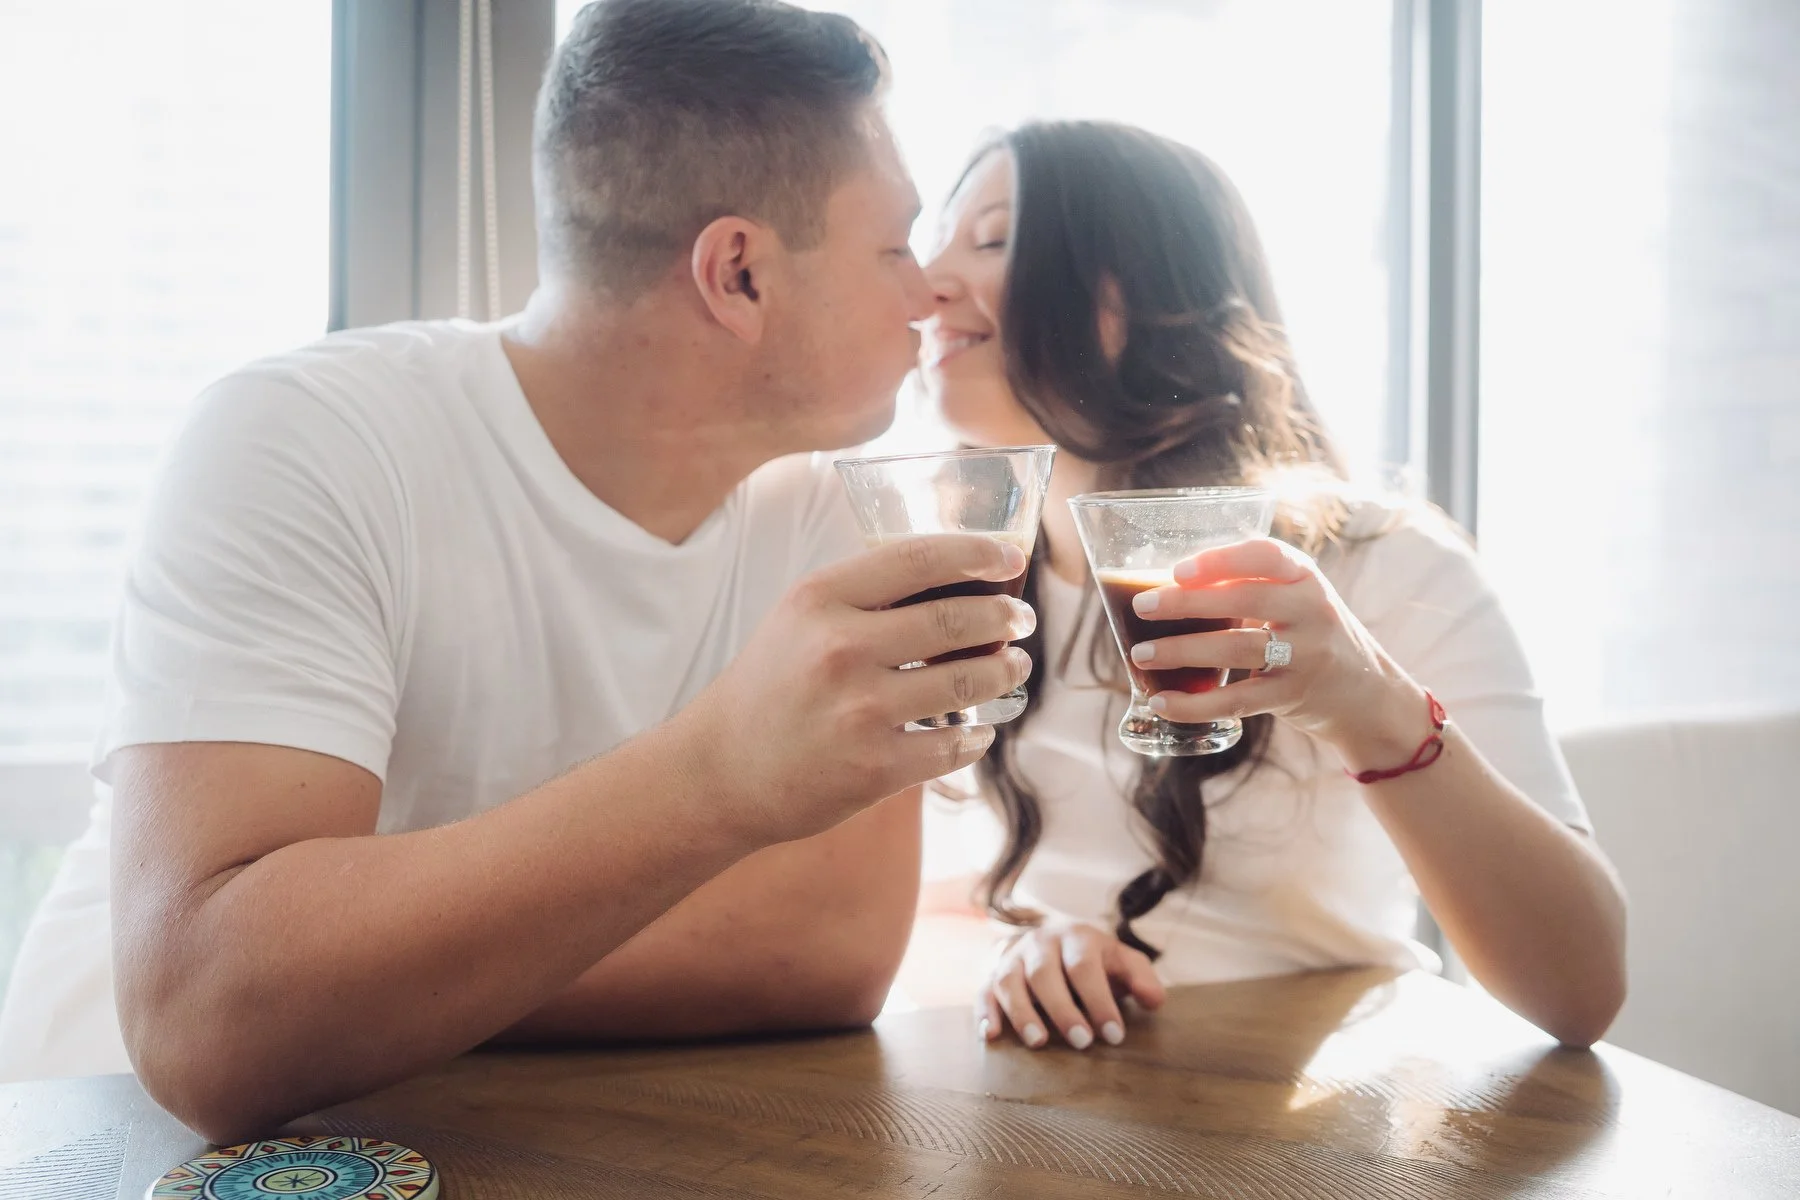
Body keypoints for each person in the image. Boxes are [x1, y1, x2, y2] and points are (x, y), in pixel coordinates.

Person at [0, 0, 1035, 1143]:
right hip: (111, 1138)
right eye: (893, 244)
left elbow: (832, 955)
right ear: (737, 273)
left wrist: (378, 982)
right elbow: (210, 1012)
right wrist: (718, 776)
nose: (929, 288)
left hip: (508, 1141)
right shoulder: (304, 438)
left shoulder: (836, 513)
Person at [914, 121, 1628, 1052]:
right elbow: (921, 914)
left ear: (1144, 291)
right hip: (1062, 1111)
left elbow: (1580, 992)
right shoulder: (968, 581)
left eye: (997, 237)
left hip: (1335, 1112)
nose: (927, 283)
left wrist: (1365, 702)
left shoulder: (1382, 562)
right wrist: (1020, 952)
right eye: (936, 239)